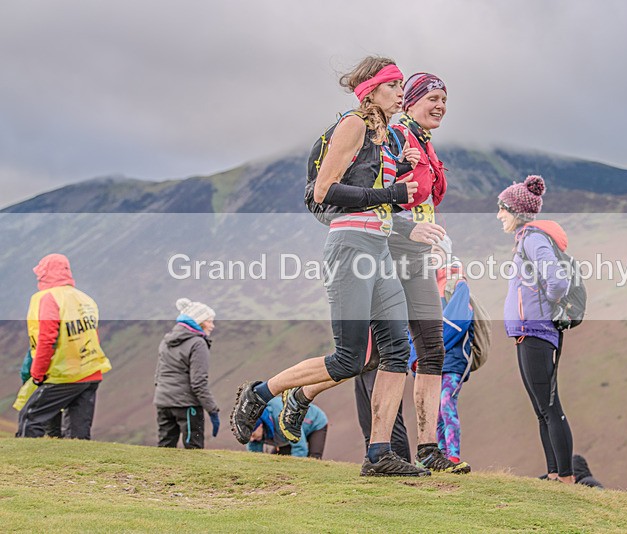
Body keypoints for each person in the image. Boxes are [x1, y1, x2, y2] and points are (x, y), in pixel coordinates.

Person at [231, 56, 430, 477]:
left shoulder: (388, 138)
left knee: (397, 351)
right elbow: (325, 191)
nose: (400, 93)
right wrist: (391, 190)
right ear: (372, 90)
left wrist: (406, 217)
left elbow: (381, 198)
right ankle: (260, 392)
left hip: (378, 247)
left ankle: (379, 455)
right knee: (348, 359)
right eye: (394, 86)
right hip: (350, 247)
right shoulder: (353, 125)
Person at [351, 72, 468, 474]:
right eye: (432, 97)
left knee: (432, 350)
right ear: (412, 100)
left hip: (418, 257)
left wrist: (436, 242)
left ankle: (428, 449)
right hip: (387, 253)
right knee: (379, 354)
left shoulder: (424, 144)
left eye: (444, 100)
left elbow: (422, 205)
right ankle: (379, 451)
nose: (440, 106)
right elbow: (374, 202)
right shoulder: (397, 136)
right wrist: (408, 228)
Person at [498, 176, 575, 484]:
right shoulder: (525, 239)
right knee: (541, 408)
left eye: (502, 209)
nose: (499, 215)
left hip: (536, 330)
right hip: (527, 331)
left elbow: (557, 280)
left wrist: (546, 307)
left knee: (550, 406)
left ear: (516, 211)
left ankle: (566, 476)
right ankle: (555, 472)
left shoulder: (533, 239)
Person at [16, 253, 111, 439]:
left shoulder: (49, 298)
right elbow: (93, 336)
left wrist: (37, 374)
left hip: (65, 374)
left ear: (45, 273)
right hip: (91, 372)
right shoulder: (85, 299)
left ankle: (24, 465)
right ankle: (80, 466)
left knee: (30, 417)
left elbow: (46, 338)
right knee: (78, 434)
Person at [412, 235, 473, 468]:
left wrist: (429, 347)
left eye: (436, 249)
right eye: (428, 250)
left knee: (446, 404)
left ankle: (453, 455)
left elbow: (458, 321)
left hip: (452, 360)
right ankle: (436, 456)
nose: (432, 254)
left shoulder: (456, 282)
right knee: (433, 409)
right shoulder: (421, 282)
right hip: (428, 362)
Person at [154, 298, 221, 449]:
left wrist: (163, 393)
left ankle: (161, 473)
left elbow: (158, 374)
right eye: (209, 321)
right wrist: (212, 410)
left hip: (163, 402)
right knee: (194, 450)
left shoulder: (166, 340)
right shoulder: (198, 343)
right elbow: (198, 382)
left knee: (165, 447)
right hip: (187, 405)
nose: (212, 325)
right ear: (200, 321)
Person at [247, 397, 328, 459]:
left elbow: (300, 447)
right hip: (288, 432)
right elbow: (254, 453)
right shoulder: (254, 428)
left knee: (313, 459)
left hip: (314, 423)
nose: (251, 439)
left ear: (260, 425)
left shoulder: (283, 418)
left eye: (253, 435)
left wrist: (295, 472)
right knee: (281, 459)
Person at [17, 350, 62, 438]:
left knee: (34, 418)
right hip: (62, 382)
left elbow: (26, 369)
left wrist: (29, 381)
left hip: (41, 384)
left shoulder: (40, 340)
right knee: (55, 425)